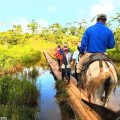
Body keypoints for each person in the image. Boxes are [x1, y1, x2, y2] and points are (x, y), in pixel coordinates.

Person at [77, 14, 115, 80]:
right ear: (105, 21)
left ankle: (79, 82)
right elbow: (111, 45)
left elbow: (83, 44)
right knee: (112, 67)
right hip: (103, 54)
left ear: (97, 20)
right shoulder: (109, 31)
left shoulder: (89, 29)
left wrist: (81, 52)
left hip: (90, 54)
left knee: (79, 66)